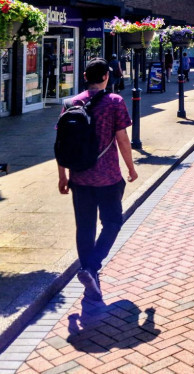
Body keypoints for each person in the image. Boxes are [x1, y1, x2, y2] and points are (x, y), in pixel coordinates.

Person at [58, 58, 138, 303]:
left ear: (84, 76)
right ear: (106, 76)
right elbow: (123, 139)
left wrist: (62, 176)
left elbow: (62, 144)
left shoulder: (70, 103)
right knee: (113, 221)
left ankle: (88, 271)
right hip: (108, 176)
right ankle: (91, 268)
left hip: (79, 177)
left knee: (85, 227)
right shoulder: (114, 102)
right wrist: (131, 168)